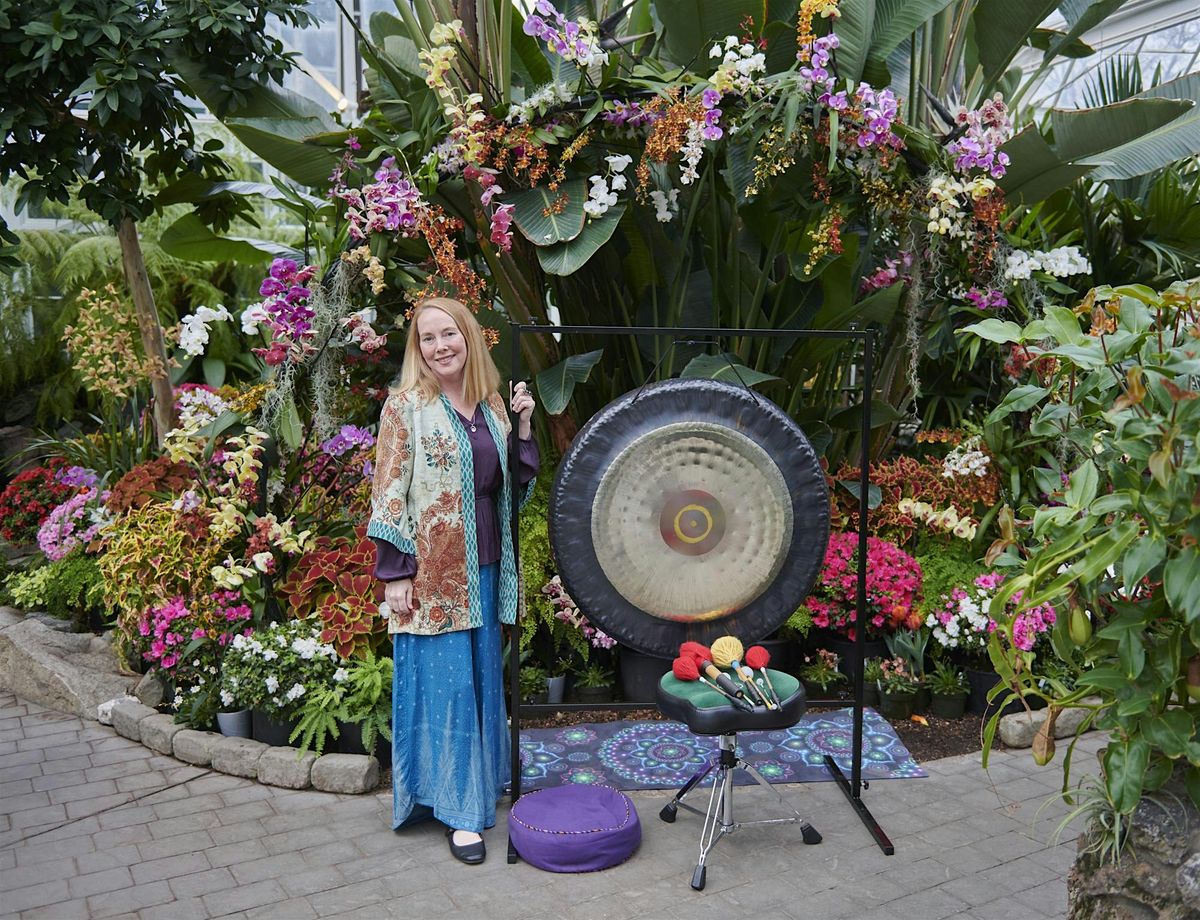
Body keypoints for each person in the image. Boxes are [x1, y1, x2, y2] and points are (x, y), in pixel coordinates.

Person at [367, 296, 539, 865]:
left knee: (484, 682)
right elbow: (389, 489)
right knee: (451, 693)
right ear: (418, 349)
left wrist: (523, 424)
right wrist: (395, 572)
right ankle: (459, 814)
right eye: (427, 338)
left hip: (487, 570)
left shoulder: (490, 404)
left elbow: (511, 488)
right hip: (434, 575)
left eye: (449, 334)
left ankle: (480, 790)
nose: (440, 347)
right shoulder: (406, 406)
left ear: (470, 337)